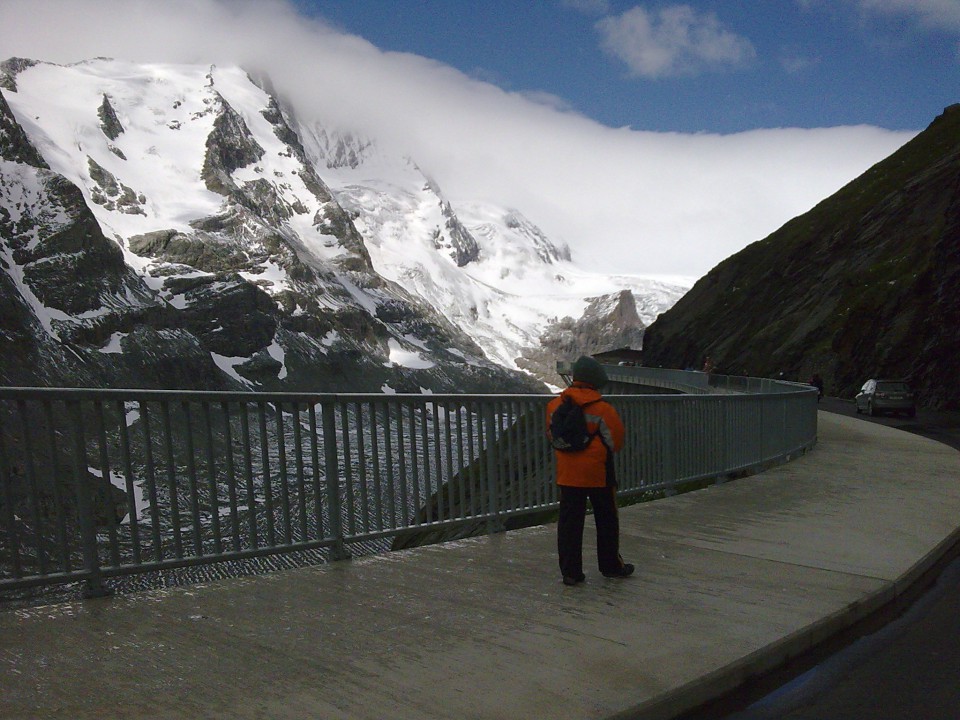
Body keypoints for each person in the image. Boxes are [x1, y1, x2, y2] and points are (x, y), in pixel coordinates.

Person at [546, 355, 633, 586]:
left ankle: (571, 573)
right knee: (606, 520)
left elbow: (551, 436)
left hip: (567, 474)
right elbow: (616, 442)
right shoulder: (603, 409)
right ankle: (611, 566)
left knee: (569, 524)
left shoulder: (555, 406)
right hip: (598, 474)